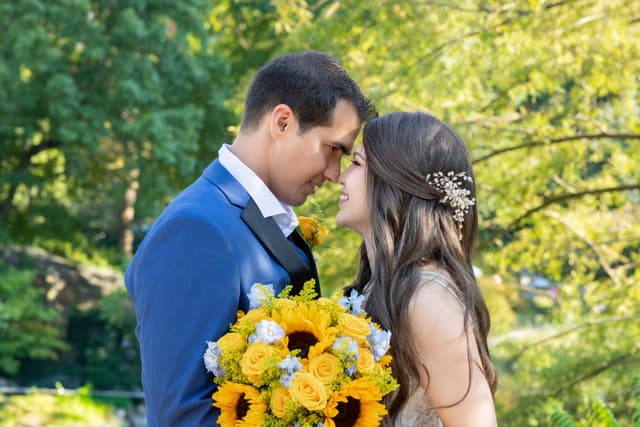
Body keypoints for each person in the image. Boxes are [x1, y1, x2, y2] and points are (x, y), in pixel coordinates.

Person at [125, 51, 375, 426]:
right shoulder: (196, 230)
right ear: (283, 122)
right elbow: (181, 416)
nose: (334, 174)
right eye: (332, 149)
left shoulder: (259, 220)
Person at [337, 112, 498, 426]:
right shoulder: (382, 287)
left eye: (356, 164)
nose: (340, 177)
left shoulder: (428, 296)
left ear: (394, 180)